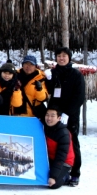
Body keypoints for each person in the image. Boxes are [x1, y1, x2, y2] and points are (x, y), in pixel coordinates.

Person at [46, 47, 85, 186]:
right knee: (53, 141)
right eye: (59, 56)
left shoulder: (76, 74)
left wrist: (68, 114)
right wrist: (48, 78)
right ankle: (57, 170)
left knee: (72, 142)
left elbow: (79, 97)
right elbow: (50, 91)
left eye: (64, 56)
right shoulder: (53, 72)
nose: (61, 58)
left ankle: (75, 173)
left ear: (69, 58)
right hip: (54, 115)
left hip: (70, 115)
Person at [44, 106, 75, 189]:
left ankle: (65, 176)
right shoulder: (45, 128)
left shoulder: (63, 133)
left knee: (52, 184)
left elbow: (61, 157)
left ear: (59, 118)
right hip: (51, 158)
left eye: (52, 116)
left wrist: (53, 177)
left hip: (64, 161)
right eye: (47, 115)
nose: (49, 118)